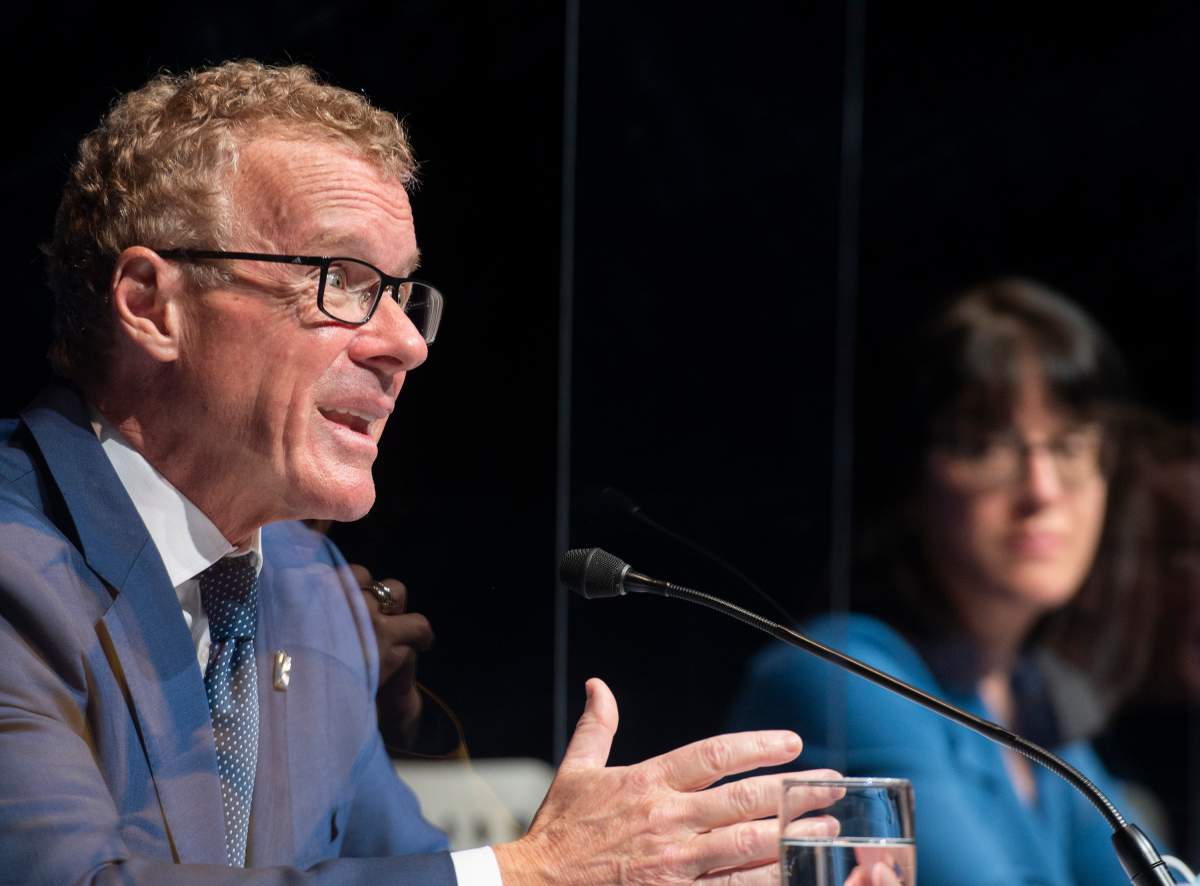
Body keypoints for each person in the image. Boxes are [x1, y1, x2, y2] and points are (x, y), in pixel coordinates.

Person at [0, 60, 839, 883]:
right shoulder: (16, 569)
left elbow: (410, 868)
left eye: (402, 293)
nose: (405, 343)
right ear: (153, 304)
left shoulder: (310, 589)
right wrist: (535, 873)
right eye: (341, 280)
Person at [729, 279, 1151, 884]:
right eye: (989, 447)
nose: (1042, 489)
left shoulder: (1027, 699)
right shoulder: (837, 678)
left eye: (1069, 447)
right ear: (912, 479)